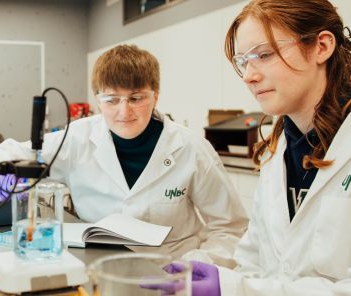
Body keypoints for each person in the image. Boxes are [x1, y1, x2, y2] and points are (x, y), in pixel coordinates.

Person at [0, 44, 248, 266]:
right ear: (98, 99)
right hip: (98, 269)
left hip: (172, 273)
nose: (124, 112)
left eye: (136, 98)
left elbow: (230, 228)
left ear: (156, 95)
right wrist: (0, 171)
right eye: (111, 100)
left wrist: (196, 264)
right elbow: (3, 152)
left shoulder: (191, 147)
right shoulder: (75, 138)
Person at [150, 0, 351, 295]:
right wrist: (219, 275)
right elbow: (254, 260)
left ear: (321, 46)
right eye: (244, 61)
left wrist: (239, 289)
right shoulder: (276, 152)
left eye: (265, 54)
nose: (248, 76)